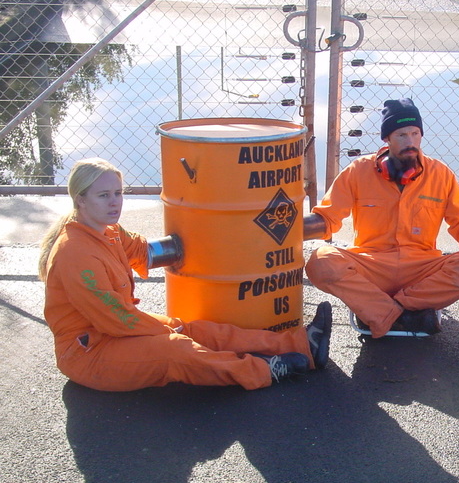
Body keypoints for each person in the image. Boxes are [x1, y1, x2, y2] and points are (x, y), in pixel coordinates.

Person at [39, 158, 332, 392]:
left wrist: (224, 233)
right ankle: (264, 371)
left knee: (194, 330)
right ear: (80, 200)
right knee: (176, 348)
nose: (115, 202)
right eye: (104, 196)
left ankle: (302, 345)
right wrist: (166, 332)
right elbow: (117, 319)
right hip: (88, 354)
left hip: (113, 333)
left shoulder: (109, 233)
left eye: (118, 193)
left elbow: (141, 249)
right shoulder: (75, 253)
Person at [303, 98, 459, 338]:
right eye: (402, 135)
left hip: (421, 269)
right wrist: (289, 227)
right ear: (386, 138)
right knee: (321, 261)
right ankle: (405, 316)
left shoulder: (441, 174)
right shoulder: (357, 171)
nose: (411, 142)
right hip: (370, 265)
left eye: (415, 134)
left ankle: (379, 313)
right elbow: (327, 218)